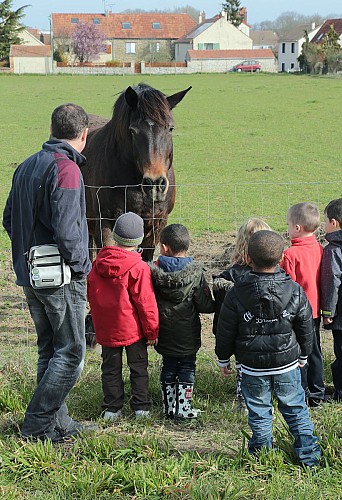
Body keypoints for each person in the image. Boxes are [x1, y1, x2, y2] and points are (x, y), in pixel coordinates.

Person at [2, 103, 93, 442]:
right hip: (61, 278)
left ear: (52, 129)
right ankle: (37, 426)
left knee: (50, 351)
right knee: (70, 353)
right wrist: (81, 267)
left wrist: (31, 252)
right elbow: (69, 232)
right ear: (83, 134)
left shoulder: (26, 165)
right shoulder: (67, 170)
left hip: (30, 275)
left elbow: (9, 218)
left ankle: (59, 423)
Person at [215, 230, 321, 468]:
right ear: (282, 257)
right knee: (295, 408)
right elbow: (306, 326)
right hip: (287, 363)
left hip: (252, 367)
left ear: (248, 258)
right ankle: (309, 456)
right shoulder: (294, 290)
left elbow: (226, 330)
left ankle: (262, 455)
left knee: (259, 411)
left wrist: (223, 359)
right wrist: (304, 353)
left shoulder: (236, 292)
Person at [87, 212, 159, 421]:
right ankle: (141, 407)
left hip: (107, 329)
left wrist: (98, 323)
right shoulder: (139, 268)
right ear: (139, 241)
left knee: (110, 368)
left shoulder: (98, 264)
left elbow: (91, 294)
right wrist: (152, 330)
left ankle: (112, 408)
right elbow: (146, 303)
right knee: (138, 368)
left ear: (116, 237)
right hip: (133, 330)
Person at [149, 224, 215, 419]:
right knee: (187, 366)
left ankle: (169, 408)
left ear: (164, 247)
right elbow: (205, 305)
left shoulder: (153, 272)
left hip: (164, 332)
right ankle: (184, 408)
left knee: (168, 365)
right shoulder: (195, 273)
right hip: (188, 333)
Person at [212, 218, 271, 412]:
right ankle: (265, 397)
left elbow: (223, 316)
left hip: (241, 337)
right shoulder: (275, 274)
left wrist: (222, 345)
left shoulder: (230, 275)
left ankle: (244, 399)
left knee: (243, 366)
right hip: (269, 334)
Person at [281, 202, 325, 407]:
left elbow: (287, 284)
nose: (287, 229)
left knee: (299, 353)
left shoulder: (290, 254)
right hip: (316, 309)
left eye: (288, 225)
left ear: (297, 228)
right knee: (314, 349)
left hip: (297, 312)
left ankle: (302, 392)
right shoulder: (320, 249)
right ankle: (317, 391)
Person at [321, 198, 342, 402]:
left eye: (325, 220)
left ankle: (340, 393)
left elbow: (331, 281)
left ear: (334, 222)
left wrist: (328, 312)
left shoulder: (333, 249)